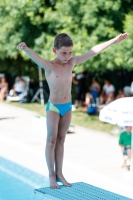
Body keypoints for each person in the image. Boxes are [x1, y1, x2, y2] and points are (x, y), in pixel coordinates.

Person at [17, 32, 128, 189]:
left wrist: (114, 41)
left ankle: (60, 173)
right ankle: (51, 175)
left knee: (61, 140)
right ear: (54, 50)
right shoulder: (49, 65)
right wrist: (26, 48)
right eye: (64, 53)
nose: (68, 56)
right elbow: (37, 58)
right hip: (54, 107)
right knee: (51, 139)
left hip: (67, 106)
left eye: (70, 52)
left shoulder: (72, 62)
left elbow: (93, 51)